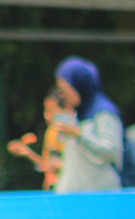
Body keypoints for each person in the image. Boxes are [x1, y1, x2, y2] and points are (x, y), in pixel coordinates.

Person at [50, 57, 123, 193]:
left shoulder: (103, 113)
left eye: (64, 89)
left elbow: (112, 152)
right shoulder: (76, 114)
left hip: (100, 198)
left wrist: (79, 134)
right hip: (75, 197)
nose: (62, 95)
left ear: (79, 86)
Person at [6, 88, 66, 190]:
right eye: (45, 111)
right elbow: (45, 165)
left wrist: (29, 153)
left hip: (68, 191)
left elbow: (62, 167)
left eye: (52, 112)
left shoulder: (72, 136)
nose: (46, 116)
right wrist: (26, 152)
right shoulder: (50, 132)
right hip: (51, 190)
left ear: (66, 110)